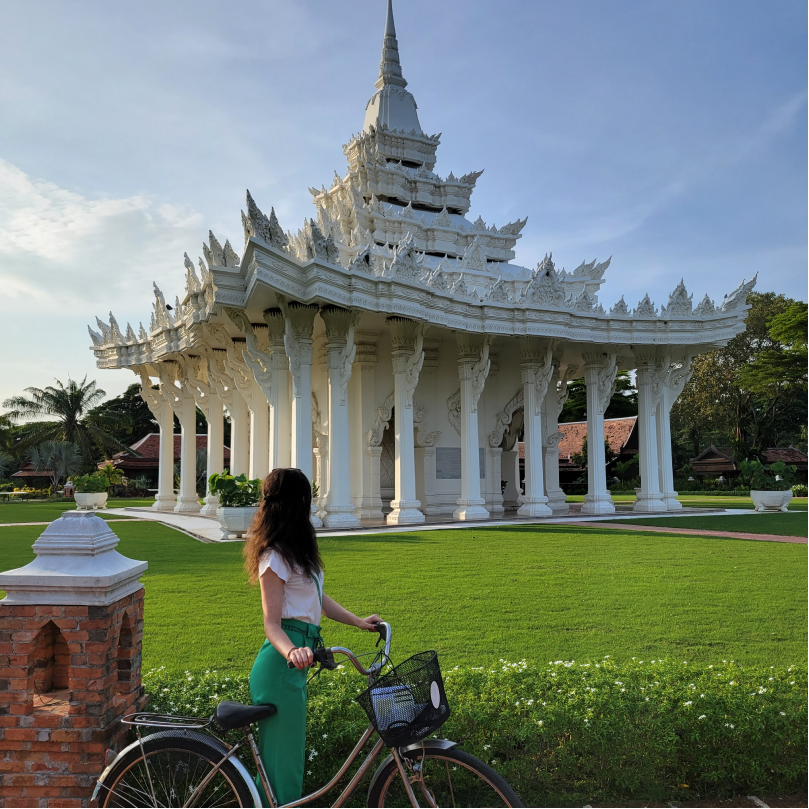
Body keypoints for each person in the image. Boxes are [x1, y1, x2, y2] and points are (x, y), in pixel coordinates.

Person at [244, 468, 381, 807]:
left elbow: (318, 598)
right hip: (282, 663)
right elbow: (272, 625)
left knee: (288, 759)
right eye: (307, 497)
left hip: (298, 658)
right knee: (282, 764)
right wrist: (293, 653)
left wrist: (359, 623)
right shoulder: (273, 556)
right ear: (295, 502)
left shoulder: (296, 552)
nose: (311, 504)